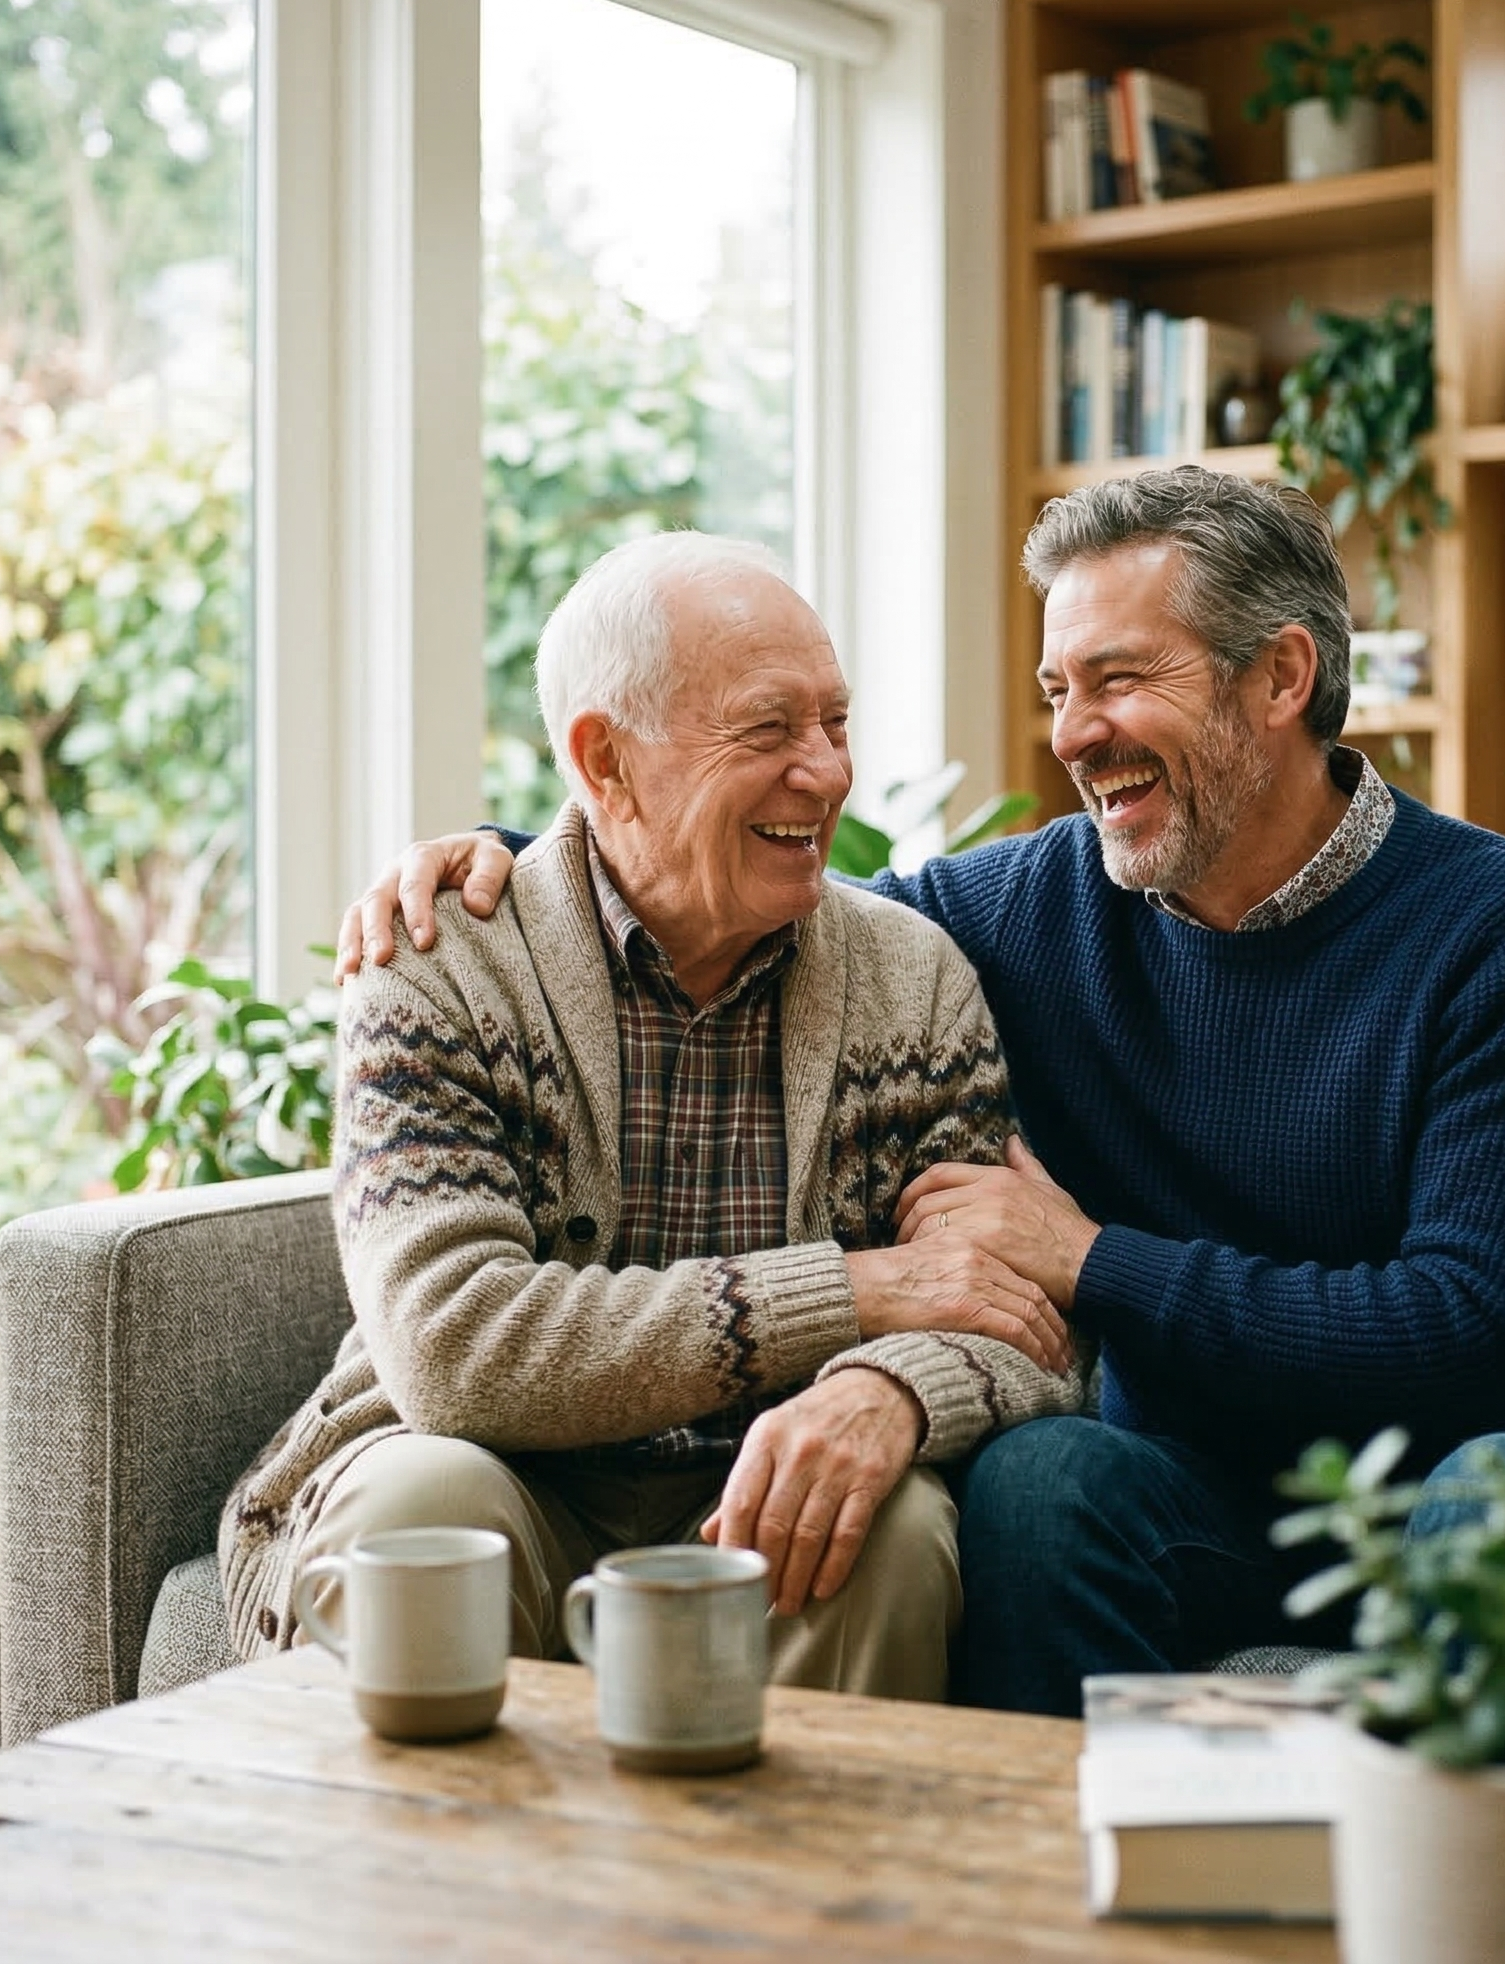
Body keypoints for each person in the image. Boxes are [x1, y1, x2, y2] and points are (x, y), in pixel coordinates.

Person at [339, 471, 1505, 1716]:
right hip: (1200, 1490)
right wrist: (526, 861)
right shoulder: (1026, 907)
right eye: (1057, 688)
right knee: (1043, 1486)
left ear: (1280, 677)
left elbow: (1476, 1337)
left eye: (1119, 679)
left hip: (1498, 1456)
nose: (1075, 737)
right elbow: (746, 889)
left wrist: (1092, 1262)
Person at [225, 531, 1081, 1703]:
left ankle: (825, 1892)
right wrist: (856, 1288)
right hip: (495, 1473)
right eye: (768, 727)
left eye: (834, 723)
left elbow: (1014, 1321)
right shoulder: (441, 960)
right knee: (425, 1507)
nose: (825, 771)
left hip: (755, 1501)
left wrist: (889, 1388)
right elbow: (453, 1350)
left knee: (890, 1528)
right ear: (605, 759)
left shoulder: (912, 978)